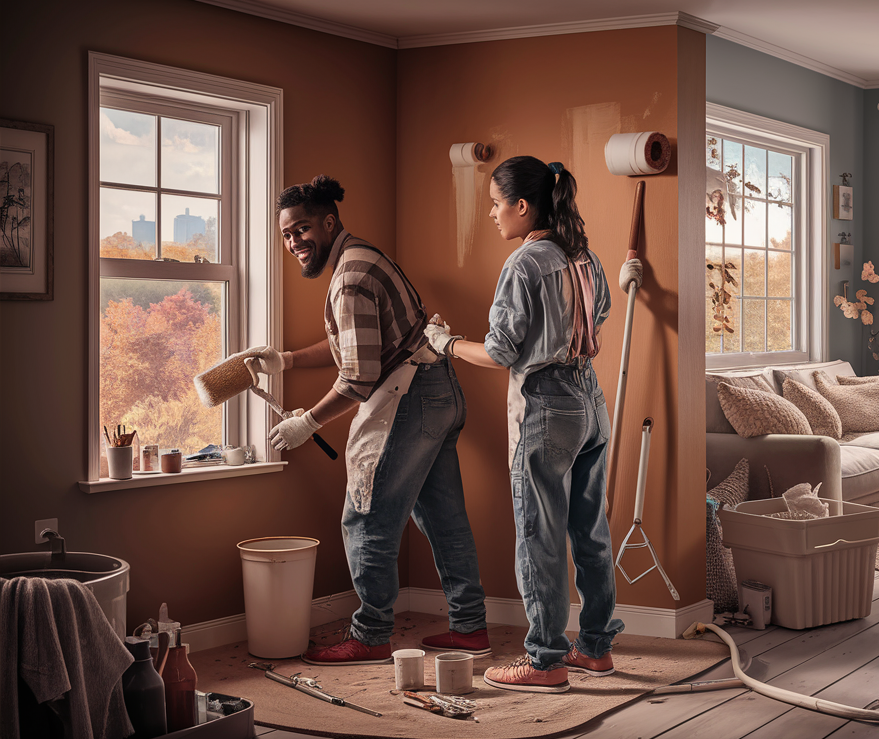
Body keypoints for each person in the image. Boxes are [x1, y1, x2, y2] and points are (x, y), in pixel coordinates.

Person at [240, 175, 489, 665]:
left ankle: (371, 634)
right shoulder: (359, 256)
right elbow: (353, 347)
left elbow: (357, 377)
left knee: (366, 514)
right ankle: (470, 628)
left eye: (303, 229)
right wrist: (285, 360)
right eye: (287, 234)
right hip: (439, 391)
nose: (295, 243)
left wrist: (307, 422)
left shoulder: (349, 278)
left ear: (329, 222)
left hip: (411, 398)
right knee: (443, 518)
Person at [426, 157, 627, 694]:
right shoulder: (583, 256)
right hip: (590, 401)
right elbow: (600, 313)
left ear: (522, 206)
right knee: (590, 530)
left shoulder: (523, 264)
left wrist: (444, 343)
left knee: (539, 532)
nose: (492, 214)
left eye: (495, 204)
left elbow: (499, 352)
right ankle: (596, 647)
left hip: (545, 407)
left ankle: (544, 659)